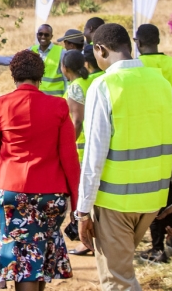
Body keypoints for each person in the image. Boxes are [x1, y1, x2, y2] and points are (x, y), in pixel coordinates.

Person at [76, 24, 172, 291]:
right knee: (124, 272)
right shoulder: (161, 83)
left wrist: (82, 211)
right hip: (152, 200)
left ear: (100, 49)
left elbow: (94, 156)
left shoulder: (103, 85)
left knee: (118, 281)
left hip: (114, 204)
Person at [0, 49, 79, 289]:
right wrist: (78, 204)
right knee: (41, 250)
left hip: (11, 193)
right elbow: (70, 158)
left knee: (21, 256)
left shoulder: (1, 104)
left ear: (13, 75)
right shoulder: (58, 106)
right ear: (41, 76)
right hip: (50, 195)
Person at [132, 23, 172, 262]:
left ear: (137, 43)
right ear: (159, 40)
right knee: (171, 189)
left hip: (147, 138)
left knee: (155, 195)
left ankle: (158, 247)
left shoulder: (137, 67)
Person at [60, 48, 103, 256]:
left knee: (82, 196)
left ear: (64, 68)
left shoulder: (76, 87)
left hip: (81, 147)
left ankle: (86, 242)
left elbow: (77, 120)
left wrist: (67, 145)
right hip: (95, 143)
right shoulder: (92, 80)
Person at [30, 24, 67, 97]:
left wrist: (66, 99)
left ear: (51, 36)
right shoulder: (31, 50)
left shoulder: (61, 52)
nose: (43, 37)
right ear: (37, 35)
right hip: (38, 98)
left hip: (55, 100)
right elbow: (12, 59)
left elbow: (66, 79)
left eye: (46, 35)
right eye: (40, 34)